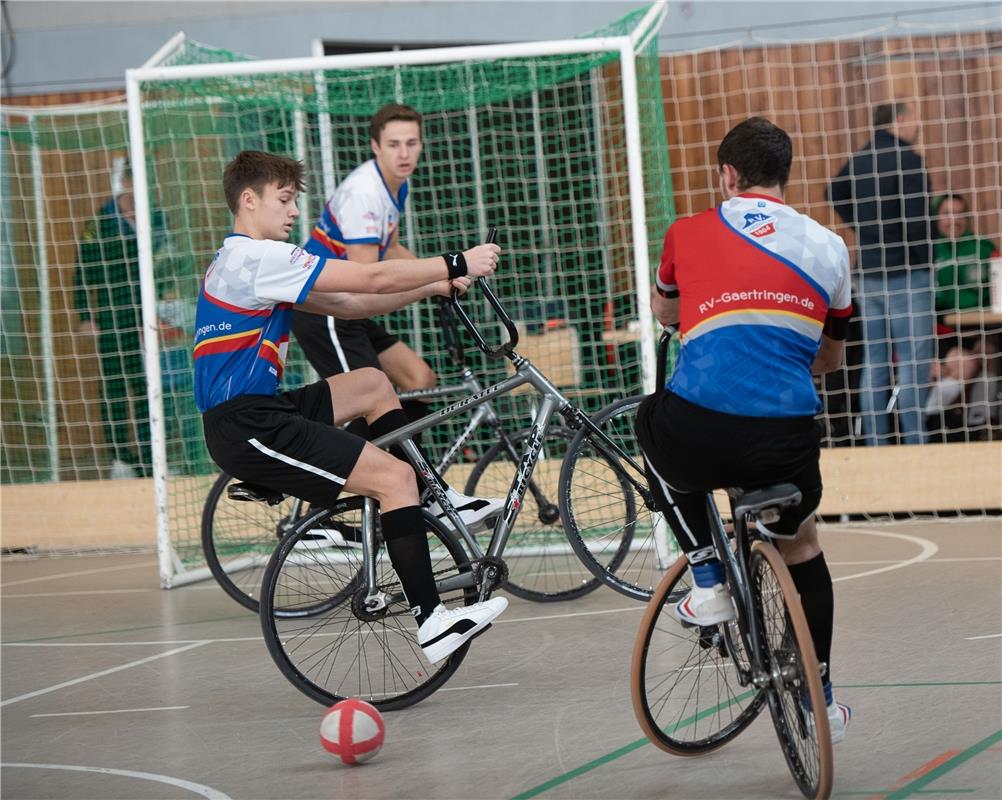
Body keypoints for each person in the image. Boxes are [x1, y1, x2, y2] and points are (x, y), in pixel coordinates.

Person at [194, 150, 507, 664]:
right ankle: (431, 620)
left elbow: (351, 306)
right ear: (248, 201)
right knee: (392, 480)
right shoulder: (255, 259)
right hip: (248, 425)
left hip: (261, 410)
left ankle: (429, 497)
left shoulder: (249, 262)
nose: (295, 212)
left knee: (370, 383)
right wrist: (457, 261)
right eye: (285, 200)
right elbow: (370, 279)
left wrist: (432, 285)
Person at [635, 117, 853, 742]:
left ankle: (707, 580)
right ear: (785, 178)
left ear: (727, 176)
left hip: (698, 431)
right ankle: (823, 699)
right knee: (803, 544)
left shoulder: (688, 230)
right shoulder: (829, 246)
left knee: (650, 423)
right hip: (785, 437)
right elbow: (830, 360)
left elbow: (667, 312)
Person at [291, 103, 503, 530]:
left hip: (350, 303)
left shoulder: (395, 186)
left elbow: (390, 252)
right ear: (375, 147)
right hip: (326, 308)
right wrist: (444, 269)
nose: (403, 153)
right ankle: (318, 514)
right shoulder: (365, 193)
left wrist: (443, 276)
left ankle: (415, 486)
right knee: (370, 400)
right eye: (393, 145)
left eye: (411, 143)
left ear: (421, 146)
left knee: (418, 379)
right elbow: (372, 277)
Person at [828, 101, 933, 445]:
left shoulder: (860, 160)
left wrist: (862, 228)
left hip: (869, 272)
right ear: (900, 120)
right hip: (905, 271)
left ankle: (877, 442)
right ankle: (915, 442)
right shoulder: (908, 159)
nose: (917, 126)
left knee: (875, 359)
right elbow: (918, 220)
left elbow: (833, 192)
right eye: (914, 119)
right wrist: (925, 258)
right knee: (912, 359)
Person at [75, 163, 165, 479]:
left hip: (148, 319)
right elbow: (82, 271)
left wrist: (161, 311)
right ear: (124, 181)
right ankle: (120, 459)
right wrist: (87, 315)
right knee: (114, 387)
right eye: (133, 180)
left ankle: (150, 457)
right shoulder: (102, 220)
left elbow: (167, 267)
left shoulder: (157, 219)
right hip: (112, 315)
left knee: (148, 386)